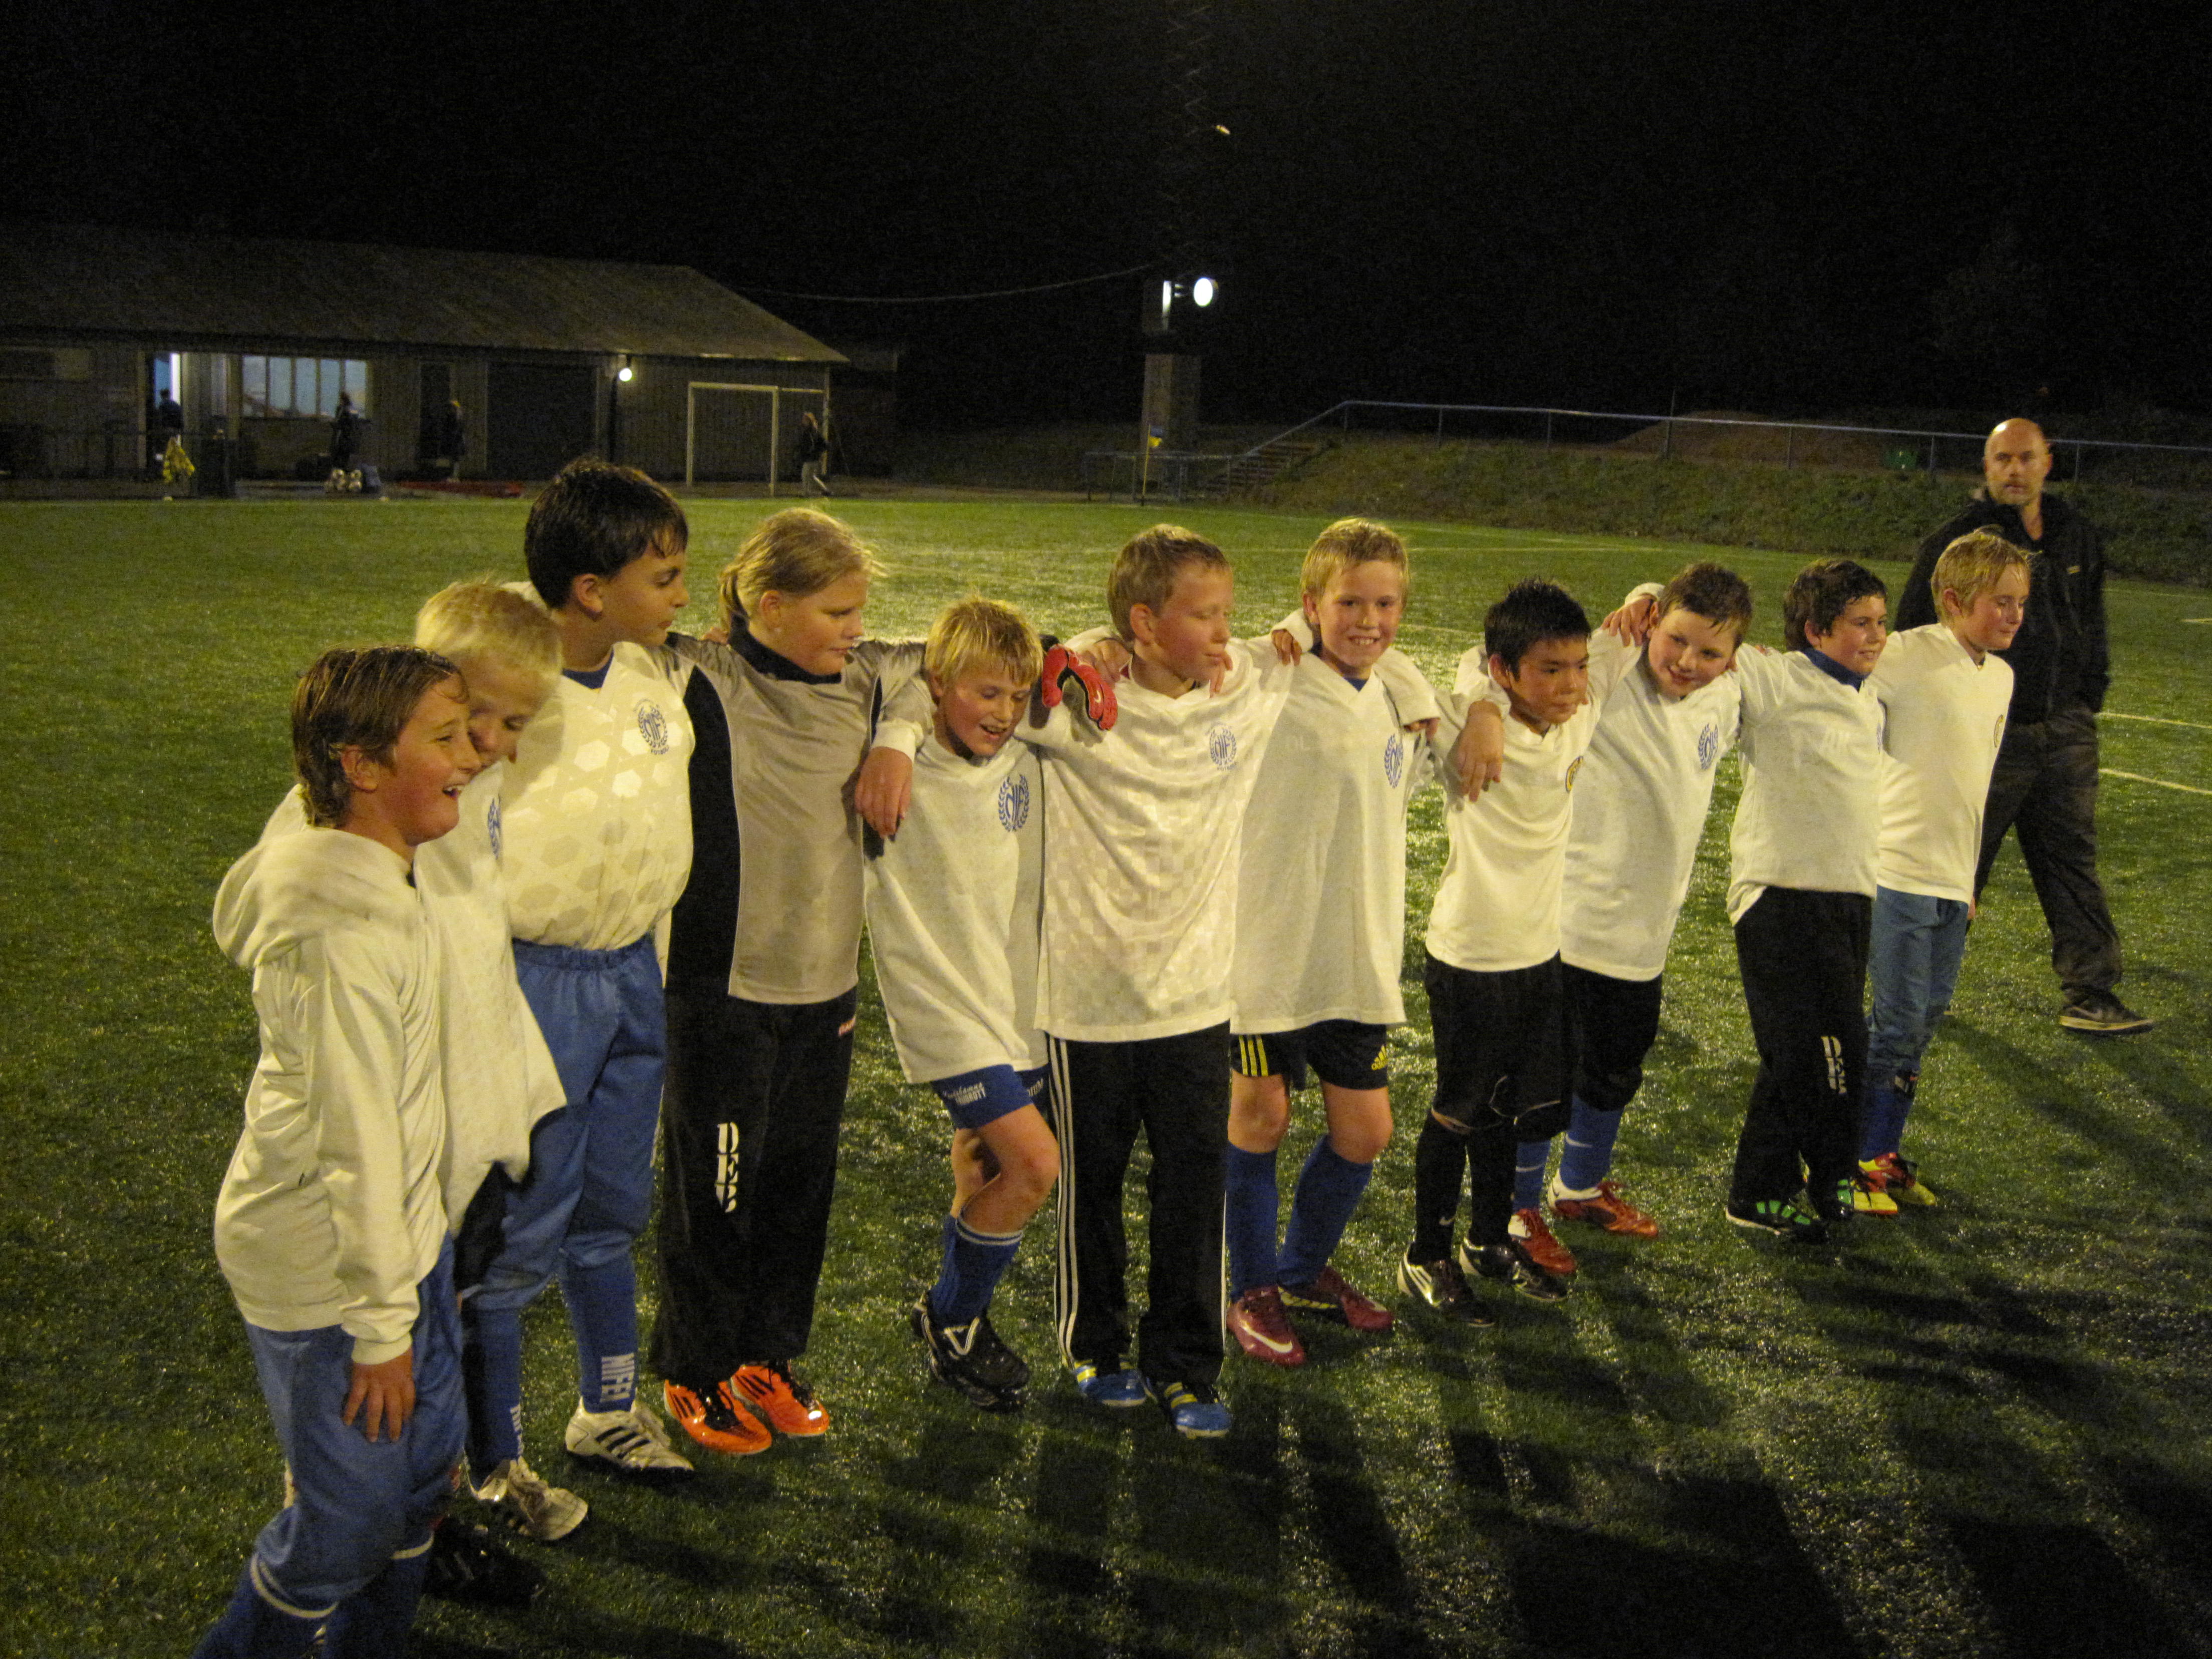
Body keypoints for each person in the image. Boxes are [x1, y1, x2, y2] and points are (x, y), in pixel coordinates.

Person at [193, 648, 479, 1658]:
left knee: (420, 1479)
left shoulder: (366, 859)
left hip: (399, 1246)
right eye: (444, 738)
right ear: (359, 766)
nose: (473, 755)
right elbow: (356, 1139)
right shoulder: (342, 930)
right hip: (325, 1265)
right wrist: (381, 1326)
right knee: (346, 1524)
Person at [650, 507, 927, 1453]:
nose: (857, 628)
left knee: (799, 1187)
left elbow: (947, 658)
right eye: (837, 612)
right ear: (769, 607)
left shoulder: (868, 677)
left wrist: (898, 741)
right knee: (715, 1191)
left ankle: (765, 1356)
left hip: (827, 990)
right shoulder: (705, 675)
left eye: (860, 611)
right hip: (721, 991)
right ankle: (694, 1368)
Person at [1028, 526, 1304, 1437]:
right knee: (1093, 1187)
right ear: (1145, 623)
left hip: (1197, 1002)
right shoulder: (1072, 705)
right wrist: (1074, 647)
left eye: (1228, 611)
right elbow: (964, 670)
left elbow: (1344, 624)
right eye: (1204, 614)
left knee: (1194, 1186)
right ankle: (1096, 1346)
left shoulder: (1247, 687)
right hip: (1088, 1000)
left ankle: (1186, 1362)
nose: (1226, 632)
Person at [465, 460, 699, 1510]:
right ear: (592, 590)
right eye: (665, 575)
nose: (683, 593)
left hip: (631, 971)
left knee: (610, 1208)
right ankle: (493, 1460)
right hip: (535, 981)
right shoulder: (499, 690)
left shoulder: (652, 674)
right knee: (518, 1228)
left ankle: (607, 1411)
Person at [1222, 519, 1439, 1367]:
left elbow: (1475, 693)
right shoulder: (1266, 673)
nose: (1369, 620)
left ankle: (1303, 1268)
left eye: (1385, 604)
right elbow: (1189, 653)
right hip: (1263, 952)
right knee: (1262, 1117)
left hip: (1353, 957)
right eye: (1349, 602)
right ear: (1311, 605)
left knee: (1366, 1132)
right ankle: (1251, 1289)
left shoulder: (1400, 697)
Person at [865, 597, 1060, 1410]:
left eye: (1016, 696)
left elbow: (1076, 660)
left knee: (985, 1164)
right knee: (1036, 1164)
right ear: (941, 685)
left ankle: (958, 1332)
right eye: (986, 694)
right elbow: (895, 668)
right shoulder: (895, 759)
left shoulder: (1027, 752)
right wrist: (894, 733)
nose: (1005, 712)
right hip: (940, 1004)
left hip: (1013, 1000)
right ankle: (950, 1316)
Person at [1522, 563, 1750, 1243]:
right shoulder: (1611, 669)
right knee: (1540, 1082)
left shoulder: (1727, 695)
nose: (1688, 662)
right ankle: (1517, 1209)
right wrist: (1643, 597)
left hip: (1645, 935)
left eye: (1710, 652)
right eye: (1676, 640)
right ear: (1653, 628)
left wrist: (1652, 597)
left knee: (1615, 1071)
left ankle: (1580, 1188)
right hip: (1568, 924)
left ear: (1733, 657)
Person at [1897, 418, 2146, 1035]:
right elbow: (1911, 632)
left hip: (2064, 728)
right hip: (1986, 731)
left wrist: (2087, 695)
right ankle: (1917, 987)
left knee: (2072, 859)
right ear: (1986, 465)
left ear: (2047, 462)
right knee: (1958, 860)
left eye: (2026, 458)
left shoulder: (2075, 532)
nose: (2014, 470)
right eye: (2002, 459)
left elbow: (2091, 622)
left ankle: (2091, 992)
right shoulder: (1958, 541)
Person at [1400, 580, 1606, 1319]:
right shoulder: (1464, 723)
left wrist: (1647, 595)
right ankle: (1424, 1253)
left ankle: (1486, 1240)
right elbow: (1410, 665)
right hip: (1472, 955)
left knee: (1508, 1110)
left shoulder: (1579, 716)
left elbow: (1630, 634)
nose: (1571, 685)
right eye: (1550, 670)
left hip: (1539, 953)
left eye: (1578, 667)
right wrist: (1483, 708)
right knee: (1458, 1111)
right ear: (1505, 670)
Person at [1720, 560, 1890, 1241]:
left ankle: (1763, 1188)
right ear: (1816, 631)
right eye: (1860, 623)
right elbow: (1713, 647)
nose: (1877, 636)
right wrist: (1647, 601)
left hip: (1849, 900)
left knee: (1799, 1052)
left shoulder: (1867, 698)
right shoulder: (1781, 677)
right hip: (1783, 896)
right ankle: (1826, 1173)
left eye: (1881, 622)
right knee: (1829, 1052)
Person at [1859, 532, 2029, 1210]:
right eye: (2001, 602)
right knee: (1896, 1022)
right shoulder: (1902, 654)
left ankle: (1881, 1151)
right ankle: (1852, 1159)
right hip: (1896, 871)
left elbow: (1971, 788)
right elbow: (1821, 679)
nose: (2015, 615)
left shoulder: (2002, 677)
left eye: (2021, 602)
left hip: (1951, 882)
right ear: (1954, 599)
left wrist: (1968, 879)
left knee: (1924, 1021)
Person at [329, 392, 362, 490]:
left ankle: (339, 483)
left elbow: (338, 423)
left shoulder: (343, 409)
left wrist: (332, 423)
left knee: (338, 462)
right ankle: (349, 482)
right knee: (346, 462)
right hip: (352, 440)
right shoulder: (354, 409)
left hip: (342, 439)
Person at [798, 410, 832, 496]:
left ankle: (806, 493)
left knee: (805, 475)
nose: (803, 421)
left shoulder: (811, 432)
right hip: (812, 457)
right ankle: (825, 490)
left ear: (809, 421)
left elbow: (824, 444)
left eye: (805, 419)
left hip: (811, 458)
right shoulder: (811, 431)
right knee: (812, 477)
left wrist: (815, 452)